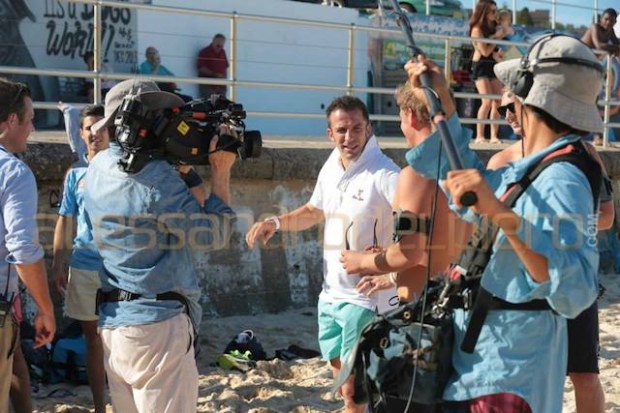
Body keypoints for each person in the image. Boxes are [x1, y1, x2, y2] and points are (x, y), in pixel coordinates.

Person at [403, 33, 603, 413]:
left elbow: (574, 286)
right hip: (483, 368)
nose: (506, 101)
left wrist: (500, 214)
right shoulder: (536, 167)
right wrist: (444, 101)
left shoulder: (563, 178)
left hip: (509, 377)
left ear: (530, 94)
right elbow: (469, 187)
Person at [83, 78, 236, 413]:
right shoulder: (156, 179)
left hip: (113, 322)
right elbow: (214, 235)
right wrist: (220, 172)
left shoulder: (97, 167)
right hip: (157, 327)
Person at [245, 95, 399, 413]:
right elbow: (314, 210)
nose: (349, 137)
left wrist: (390, 265)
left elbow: (417, 220)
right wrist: (275, 222)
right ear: (330, 133)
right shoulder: (331, 165)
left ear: (368, 128)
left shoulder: (385, 173)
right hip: (330, 297)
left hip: (366, 301)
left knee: (354, 390)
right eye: (341, 129)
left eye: (357, 128)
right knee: (342, 384)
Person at [488, 90, 612, 413]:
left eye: (513, 106)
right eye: (501, 109)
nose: (508, 115)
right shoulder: (500, 163)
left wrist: (559, 233)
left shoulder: (581, 154)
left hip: (567, 277)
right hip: (522, 294)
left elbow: (608, 216)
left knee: (584, 375)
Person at [340, 83, 471, 305]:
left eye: (400, 118)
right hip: (460, 301)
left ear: (410, 116)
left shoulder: (416, 176)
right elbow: (435, 249)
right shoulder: (467, 169)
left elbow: (407, 254)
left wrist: (363, 261)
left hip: (424, 310)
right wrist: (391, 267)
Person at [0, 77, 56, 411]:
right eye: (30, 119)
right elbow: (22, 248)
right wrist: (45, 309)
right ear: (10, 121)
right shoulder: (13, 172)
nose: (33, 128)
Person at [52, 104, 110, 413]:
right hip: (86, 264)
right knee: (92, 339)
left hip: (119, 267)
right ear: (81, 132)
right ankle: (101, 406)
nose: (95, 133)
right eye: (90, 127)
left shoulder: (123, 168)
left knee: (119, 338)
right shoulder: (75, 174)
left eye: (102, 127)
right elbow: (65, 218)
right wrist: (58, 262)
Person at [469, 0, 507, 144]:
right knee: (486, 101)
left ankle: (494, 136)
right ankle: (479, 135)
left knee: (497, 101)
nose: (494, 14)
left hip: (492, 64)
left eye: (495, 11)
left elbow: (492, 49)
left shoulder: (492, 27)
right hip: (480, 64)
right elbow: (484, 51)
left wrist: (499, 47)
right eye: (492, 11)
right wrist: (496, 38)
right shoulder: (477, 29)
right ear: (483, 11)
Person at [197, 33, 229, 98]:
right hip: (208, 86)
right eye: (218, 41)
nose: (220, 44)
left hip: (221, 86)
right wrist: (214, 74)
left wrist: (225, 81)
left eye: (222, 42)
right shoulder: (204, 52)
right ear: (213, 41)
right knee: (208, 106)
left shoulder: (223, 52)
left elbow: (225, 66)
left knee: (222, 106)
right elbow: (201, 68)